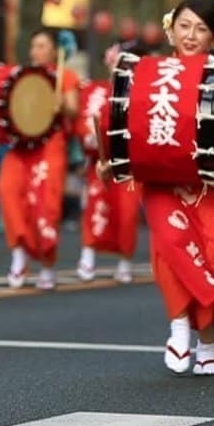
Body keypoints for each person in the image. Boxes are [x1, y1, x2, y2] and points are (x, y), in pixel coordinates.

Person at [99, 0, 214, 376]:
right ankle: (178, 326)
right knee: (171, 249)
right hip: (162, 183)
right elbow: (120, 122)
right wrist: (107, 159)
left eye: (201, 29)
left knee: (213, 258)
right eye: (185, 26)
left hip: (209, 187)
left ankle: (208, 344)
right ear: (170, 29)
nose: (191, 35)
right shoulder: (150, 73)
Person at [0, 29, 80, 290]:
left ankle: (46, 262)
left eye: (42, 46)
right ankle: (19, 255)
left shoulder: (64, 76)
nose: (35, 51)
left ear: (55, 50)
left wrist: (62, 104)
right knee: (7, 190)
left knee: (47, 202)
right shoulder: (22, 75)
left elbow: (74, 109)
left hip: (50, 144)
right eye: (34, 46)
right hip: (22, 145)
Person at [75, 42, 140, 284]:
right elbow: (84, 124)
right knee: (95, 208)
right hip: (99, 163)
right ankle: (87, 256)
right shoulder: (96, 90)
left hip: (129, 165)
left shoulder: (140, 93)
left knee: (127, 213)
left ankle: (125, 261)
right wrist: (91, 143)